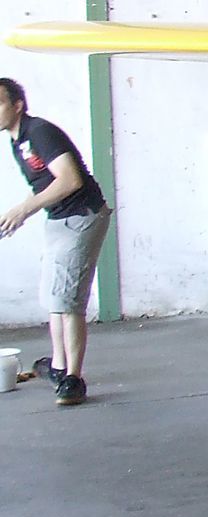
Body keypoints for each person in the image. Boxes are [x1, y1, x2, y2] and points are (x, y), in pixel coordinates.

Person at [0, 78, 112, 406]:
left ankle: (73, 379)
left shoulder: (39, 132)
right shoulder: (18, 140)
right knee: (54, 295)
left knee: (67, 299)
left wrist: (23, 209)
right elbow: (46, 183)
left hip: (82, 215)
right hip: (58, 218)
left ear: (17, 105)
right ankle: (59, 366)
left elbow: (70, 179)